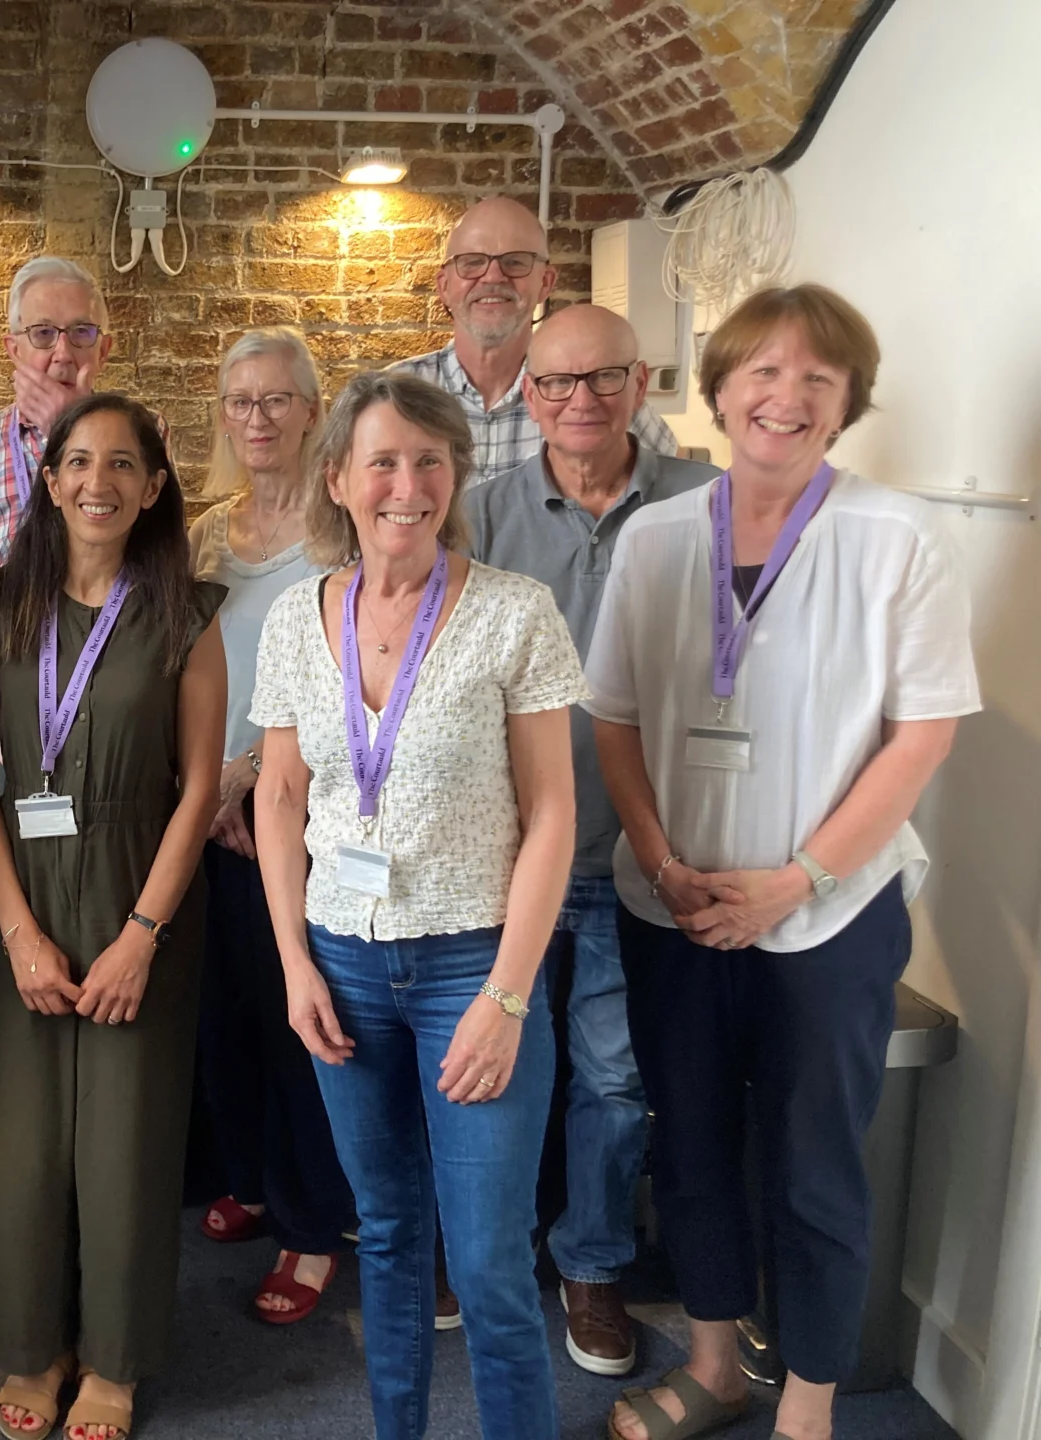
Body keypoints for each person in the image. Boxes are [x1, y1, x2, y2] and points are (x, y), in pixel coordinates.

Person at [587, 285, 979, 1440]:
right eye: (762, 372)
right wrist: (657, 857)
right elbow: (613, 717)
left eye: (818, 378)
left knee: (814, 1170)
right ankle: (713, 1366)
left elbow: (923, 737)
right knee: (694, 1144)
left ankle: (805, 1404)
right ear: (717, 392)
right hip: (674, 910)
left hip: (826, 922)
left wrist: (797, 879)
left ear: (850, 400)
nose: (786, 398)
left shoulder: (898, 535)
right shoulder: (659, 535)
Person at [252, 370, 584, 1440]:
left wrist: (509, 994)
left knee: (487, 1263)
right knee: (388, 1238)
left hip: (472, 969)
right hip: (342, 967)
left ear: (455, 476)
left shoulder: (514, 614)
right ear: (339, 478)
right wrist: (296, 963)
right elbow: (279, 795)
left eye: (430, 460)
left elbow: (551, 818)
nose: (408, 484)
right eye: (382, 461)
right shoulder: (298, 619)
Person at [0, 394, 225, 1440]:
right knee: (25, 1146)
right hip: (22, 887)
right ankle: (33, 1347)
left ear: (155, 487)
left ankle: (114, 1361)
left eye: (122, 464)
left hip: (138, 886)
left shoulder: (189, 612)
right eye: (78, 461)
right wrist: (19, 932)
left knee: (126, 1141)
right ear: (51, 479)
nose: (98, 481)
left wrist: (141, 937)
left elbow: (200, 788)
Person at [464, 302, 720, 1377]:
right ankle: (482, 1250)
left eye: (603, 378)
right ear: (528, 395)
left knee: (613, 1080)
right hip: (503, 854)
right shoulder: (479, 513)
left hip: (633, 850)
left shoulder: (701, 505)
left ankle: (594, 1264)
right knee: (489, 1063)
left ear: (645, 380)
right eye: (557, 383)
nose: (580, 400)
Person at [187, 327, 355, 1324]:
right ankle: (249, 1178)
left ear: (310, 409)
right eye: (238, 402)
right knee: (230, 1013)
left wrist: (252, 777)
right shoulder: (205, 537)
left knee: (304, 1023)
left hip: (306, 813)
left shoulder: (340, 534)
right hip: (210, 819)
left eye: (275, 400)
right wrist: (206, 790)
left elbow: (351, 681)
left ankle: (310, 1225)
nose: (256, 418)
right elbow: (180, 673)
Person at [392, 196, 676, 484]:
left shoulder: (598, 396)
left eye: (515, 262)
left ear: (546, 283)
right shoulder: (398, 393)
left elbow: (674, 493)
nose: (493, 277)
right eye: (472, 262)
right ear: (444, 286)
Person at [0, 256, 114, 692]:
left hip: (119, 696)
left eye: (81, 333)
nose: (63, 353)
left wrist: (69, 432)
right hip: (12, 702)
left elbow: (152, 570)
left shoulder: (147, 436)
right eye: (44, 333)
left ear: (103, 349)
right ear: (14, 349)